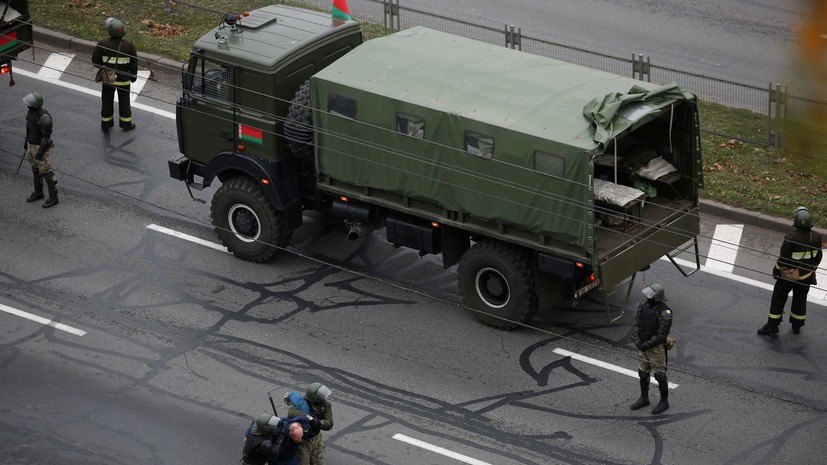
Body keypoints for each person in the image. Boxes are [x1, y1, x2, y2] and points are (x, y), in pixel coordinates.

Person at [758, 206, 823, 336]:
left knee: (778, 298)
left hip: (789, 277)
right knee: (800, 300)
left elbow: (783, 259)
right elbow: (818, 257)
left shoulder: (791, 237)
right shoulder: (817, 236)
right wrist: (811, 269)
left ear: (796, 222)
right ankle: (797, 325)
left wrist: (776, 270)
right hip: (806, 276)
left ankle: (772, 326)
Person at [630, 283, 673, 414]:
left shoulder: (665, 313)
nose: (648, 297)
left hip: (656, 349)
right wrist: (637, 340)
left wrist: (646, 344)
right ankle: (644, 398)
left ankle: (664, 402)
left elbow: (661, 335)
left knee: (659, 375)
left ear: (657, 296)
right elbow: (637, 324)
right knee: (642, 372)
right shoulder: (643, 306)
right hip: (643, 344)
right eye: (647, 294)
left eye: (650, 295)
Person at [91, 17, 138, 132]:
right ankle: (126, 124)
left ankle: (106, 124)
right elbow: (134, 64)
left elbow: (95, 61)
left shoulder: (102, 43)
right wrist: (133, 77)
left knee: (107, 100)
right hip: (124, 80)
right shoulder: (129, 45)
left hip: (108, 80)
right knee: (124, 102)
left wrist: (104, 68)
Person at [23, 92, 59, 208]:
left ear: (36, 104)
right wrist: (26, 142)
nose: (28, 104)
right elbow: (29, 129)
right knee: (35, 169)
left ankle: (53, 198)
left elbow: (46, 138)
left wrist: (40, 152)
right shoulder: (31, 112)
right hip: (31, 144)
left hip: (40, 147)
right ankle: (38, 192)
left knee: (46, 173)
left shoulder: (44, 118)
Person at [285, 383, 334, 465]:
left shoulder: (326, 405)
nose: (323, 399)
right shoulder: (301, 404)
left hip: (316, 438)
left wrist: (318, 422)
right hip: (303, 440)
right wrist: (309, 417)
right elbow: (291, 413)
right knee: (304, 462)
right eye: (320, 397)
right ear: (314, 398)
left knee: (318, 461)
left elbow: (329, 423)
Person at [242, 414, 313, 465]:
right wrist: (281, 436)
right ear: (265, 429)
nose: (274, 428)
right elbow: (274, 453)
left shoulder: (257, 424)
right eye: (272, 427)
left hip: (249, 455)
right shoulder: (265, 444)